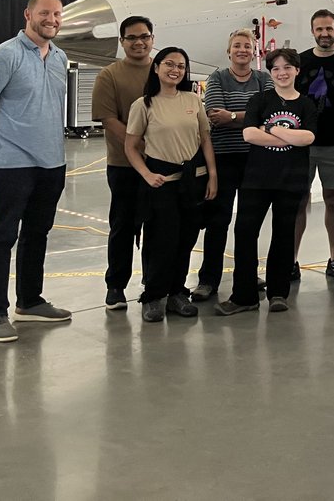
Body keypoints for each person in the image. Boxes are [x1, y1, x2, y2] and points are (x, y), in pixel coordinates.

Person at [0, 0, 72, 343]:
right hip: (11, 165)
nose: (52, 19)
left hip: (52, 162)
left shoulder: (59, 57)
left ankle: (29, 302)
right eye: (45, 13)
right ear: (28, 14)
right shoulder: (5, 56)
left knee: (37, 233)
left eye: (57, 14)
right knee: (2, 236)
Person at [216, 49, 318, 315]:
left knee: (283, 236)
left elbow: (307, 138)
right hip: (257, 179)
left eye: (287, 68)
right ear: (270, 73)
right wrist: (288, 137)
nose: (282, 73)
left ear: (297, 70)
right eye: (275, 69)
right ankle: (244, 295)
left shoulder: (306, 104)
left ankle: (278, 292)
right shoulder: (260, 100)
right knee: (245, 233)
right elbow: (249, 134)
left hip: (291, 180)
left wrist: (271, 129)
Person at [124, 47, 218, 323]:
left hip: (191, 182)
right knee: (160, 239)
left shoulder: (193, 100)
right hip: (161, 182)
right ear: (156, 68)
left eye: (180, 66)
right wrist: (146, 174)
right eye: (169, 64)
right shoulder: (143, 105)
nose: (175, 70)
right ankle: (153, 296)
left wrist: (212, 175)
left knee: (186, 238)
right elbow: (130, 147)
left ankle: (177, 292)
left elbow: (205, 140)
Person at [193, 28, 273, 302]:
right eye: (237, 46)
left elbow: (269, 114)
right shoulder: (217, 77)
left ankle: (247, 275)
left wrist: (234, 115)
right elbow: (215, 115)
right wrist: (248, 117)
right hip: (224, 158)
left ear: (255, 51)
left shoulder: (264, 79)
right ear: (229, 52)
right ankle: (208, 280)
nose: (242, 50)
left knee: (249, 223)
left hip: (255, 159)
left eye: (247, 46)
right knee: (218, 220)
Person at [91, 15, 154, 312]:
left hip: (162, 165)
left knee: (157, 225)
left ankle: (154, 282)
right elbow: (109, 120)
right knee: (123, 225)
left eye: (144, 36)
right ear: (122, 41)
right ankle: (115, 286)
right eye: (132, 38)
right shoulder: (109, 75)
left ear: (152, 39)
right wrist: (139, 148)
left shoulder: (165, 70)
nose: (139, 42)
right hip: (124, 165)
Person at [295, 9, 334, 282]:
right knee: (300, 201)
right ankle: (291, 260)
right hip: (302, 145)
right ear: (312, 31)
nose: (324, 33)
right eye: (319, 29)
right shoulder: (298, 61)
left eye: (329, 29)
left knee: (333, 199)